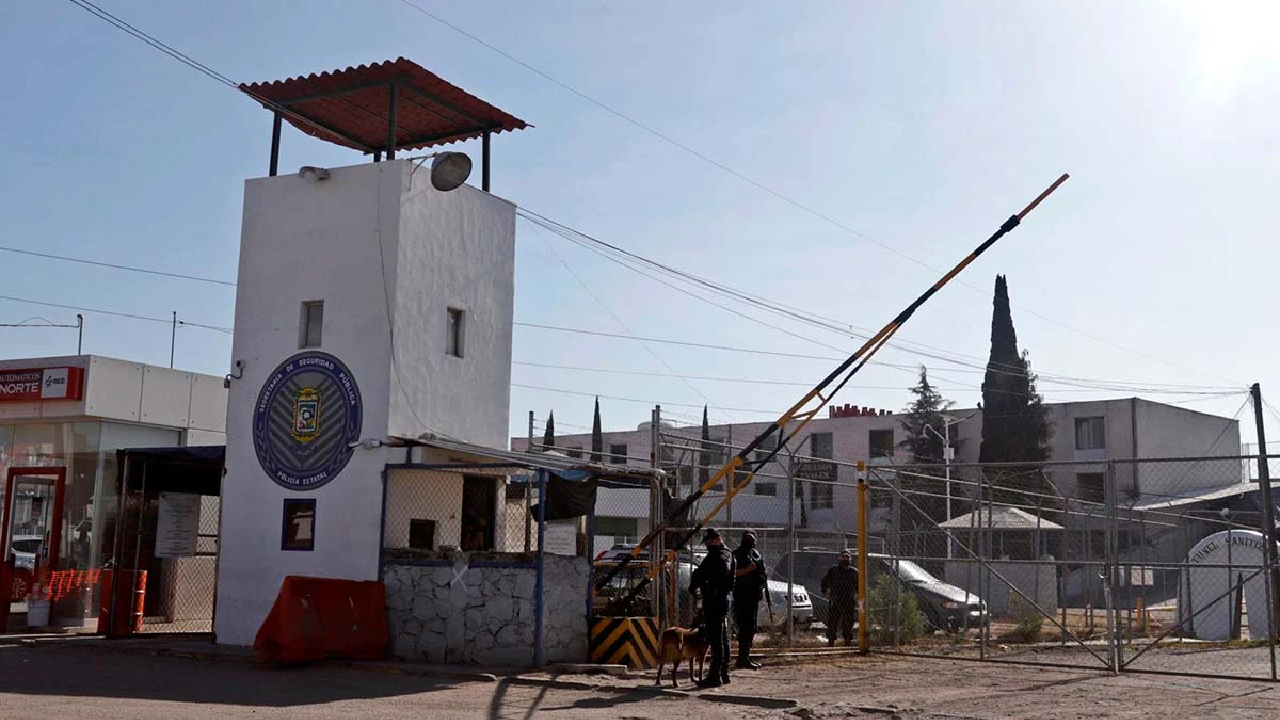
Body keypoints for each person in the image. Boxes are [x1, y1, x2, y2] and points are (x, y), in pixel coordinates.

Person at [690, 527, 735, 687]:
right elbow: (701, 573)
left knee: (717, 640)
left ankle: (715, 676)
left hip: (716, 601)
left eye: (709, 541)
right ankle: (724, 673)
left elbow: (718, 575)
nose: (708, 544)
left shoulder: (719, 556)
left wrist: (707, 585)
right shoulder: (723, 555)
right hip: (720, 600)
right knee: (721, 638)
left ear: (717, 539)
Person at [731, 530, 767, 669]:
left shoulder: (756, 555)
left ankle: (745, 657)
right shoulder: (737, 555)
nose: (750, 541)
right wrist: (747, 570)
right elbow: (731, 574)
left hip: (753, 596)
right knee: (743, 627)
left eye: (752, 539)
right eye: (748, 539)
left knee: (750, 628)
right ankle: (742, 658)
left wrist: (762, 582)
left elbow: (761, 572)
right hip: (741, 596)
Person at [821, 550, 858, 647]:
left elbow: (858, 586)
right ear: (839, 558)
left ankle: (847, 643)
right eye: (843, 557)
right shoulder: (833, 570)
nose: (845, 559)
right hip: (836, 600)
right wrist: (826, 591)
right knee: (832, 622)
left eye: (847, 557)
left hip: (849, 601)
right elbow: (824, 582)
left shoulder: (854, 572)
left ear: (850, 559)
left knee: (848, 623)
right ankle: (831, 643)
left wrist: (858, 596)